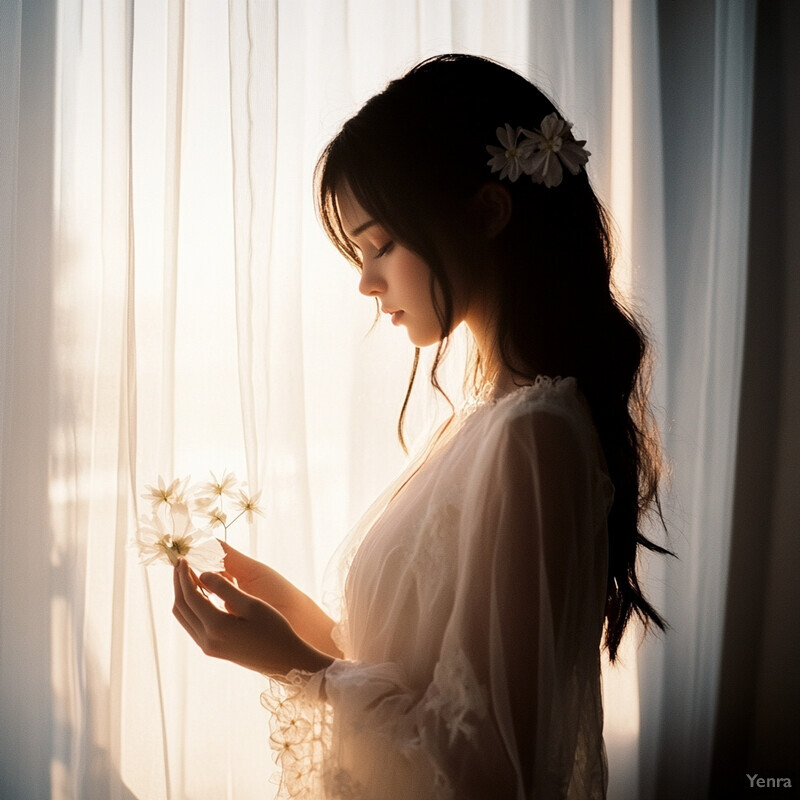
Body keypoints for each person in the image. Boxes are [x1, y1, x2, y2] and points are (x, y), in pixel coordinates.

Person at [172, 54, 669, 799]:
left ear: (488, 213)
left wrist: (295, 665)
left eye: (380, 245)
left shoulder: (533, 438)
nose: (367, 281)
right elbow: (417, 678)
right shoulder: (487, 424)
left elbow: (487, 770)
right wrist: (294, 617)